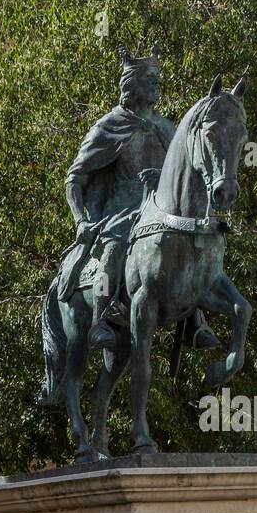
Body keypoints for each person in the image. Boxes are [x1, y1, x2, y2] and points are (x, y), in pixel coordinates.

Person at [64, 44, 217, 352]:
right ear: (132, 84)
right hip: (121, 211)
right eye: (151, 78)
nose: (157, 84)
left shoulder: (166, 127)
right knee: (115, 247)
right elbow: (74, 178)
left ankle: (194, 321)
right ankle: (100, 319)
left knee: (195, 244)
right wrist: (81, 219)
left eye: (157, 78)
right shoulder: (110, 126)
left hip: (159, 210)